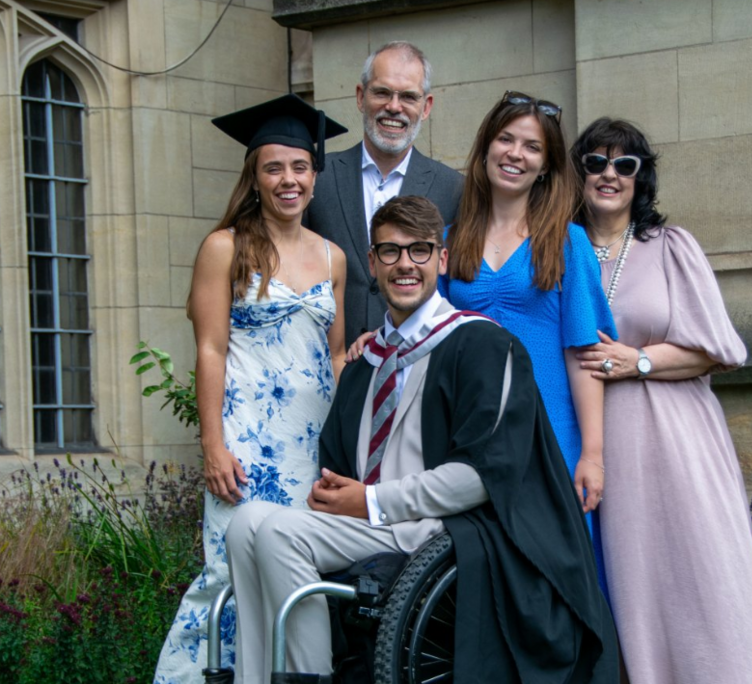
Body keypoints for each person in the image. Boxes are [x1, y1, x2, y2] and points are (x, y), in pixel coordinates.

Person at [224, 196, 619, 684]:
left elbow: (480, 475)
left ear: (443, 259)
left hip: (438, 528)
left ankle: (310, 677)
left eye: (419, 251)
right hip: (371, 524)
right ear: (372, 263)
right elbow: (339, 460)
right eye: (390, 252)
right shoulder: (366, 362)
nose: (405, 264)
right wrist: (335, 493)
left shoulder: (481, 346)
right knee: (245, 522)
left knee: (281, 533)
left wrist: (369, 499)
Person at [571, 117, 752, 683]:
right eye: (595, 162)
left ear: (642, 178)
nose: (609, 174)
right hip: (601, 450)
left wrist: (634, 361)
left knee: (700, 574)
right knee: (632, 584)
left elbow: (716, 351)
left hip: (676, 440)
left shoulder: (669, 247)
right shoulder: (561, 251)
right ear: (578, 172)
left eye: (624, 165)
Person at [154, 94, 349, 684]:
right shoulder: (225, 248)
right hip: (248, 446)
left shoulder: (333, 257)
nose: (288, 180)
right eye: (273, 168)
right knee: (229, 577)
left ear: (314, 175)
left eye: (299, 167)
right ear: (255, 177)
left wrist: (345, 447)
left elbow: (335, 355)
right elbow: (209, 349)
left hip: (310, 446)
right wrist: (212, 445)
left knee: (293, 578)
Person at [439, 92, 615, 525]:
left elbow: (584, 355)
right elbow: (429, 337)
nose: (515, 154)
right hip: (471, 432)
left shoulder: (566, 242)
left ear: (547, 165)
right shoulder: (448, 240)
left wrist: (592, 454)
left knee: (560, 559)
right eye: (505, 139)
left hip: (551, 428)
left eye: (532, 146)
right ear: (486, 149)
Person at [304, 41, 463, 340]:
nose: (394, 106)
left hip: (418, 369)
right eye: (382, 92)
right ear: (361, 97)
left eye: (408, 96)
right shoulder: (317, 178)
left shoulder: (453, 189)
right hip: (328, 366)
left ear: (426, 106)